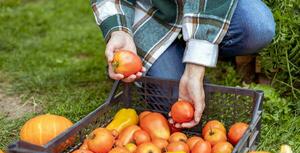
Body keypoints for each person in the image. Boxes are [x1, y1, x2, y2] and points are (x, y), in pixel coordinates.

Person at [91, 0, 275, 128]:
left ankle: (196, 44)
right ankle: (177, 52)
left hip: (210, 5)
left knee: (257, 26)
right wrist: (119, 30)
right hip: (150, 12)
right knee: (171, 102)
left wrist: (195, 66)